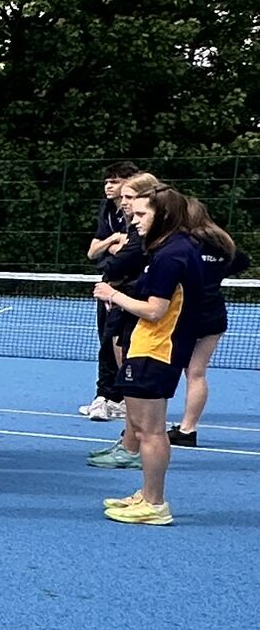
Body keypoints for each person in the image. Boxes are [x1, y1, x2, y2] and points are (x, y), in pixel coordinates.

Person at [96, 185, 207, 525]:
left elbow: (155, 311)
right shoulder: (174, 249)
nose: (134, 217)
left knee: (150, 431)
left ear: (164, 216)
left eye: (143, 213)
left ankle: (155, 503)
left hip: (156, 349)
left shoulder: (170, 255)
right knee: (146, 429)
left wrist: (112, 294)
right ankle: (147, 493)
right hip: (154, 346)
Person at [85, 173, 164, 469]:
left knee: (141, 392)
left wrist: (114, 292)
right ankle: (129, 443)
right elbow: (102, 257)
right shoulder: (131, 229)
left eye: (132, 199)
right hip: (125, 310)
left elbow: (119, 263)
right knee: (129, 381)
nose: (125, 204)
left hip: (140, 320)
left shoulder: (158, 245)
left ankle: (135, 452)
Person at [168, 202, 247, 447]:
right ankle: (188, 429)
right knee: (197, 373)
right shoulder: (222, 245)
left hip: (186, 317)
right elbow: (242, 262)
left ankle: (145, 428)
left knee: (167, 370)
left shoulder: (182, 247)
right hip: (213, 317)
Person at [82, 161, 141, 420]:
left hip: (132, 286)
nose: (108, 186)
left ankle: (123, 397)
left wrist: (117, 246)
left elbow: (134, 250)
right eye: (107, 181)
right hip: (108, 282)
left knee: (124, 343)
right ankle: (106, 395)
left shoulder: (141, 211)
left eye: (114, 181)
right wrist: (113, 240)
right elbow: (93, 251)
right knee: (106, 340)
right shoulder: (107, 210)